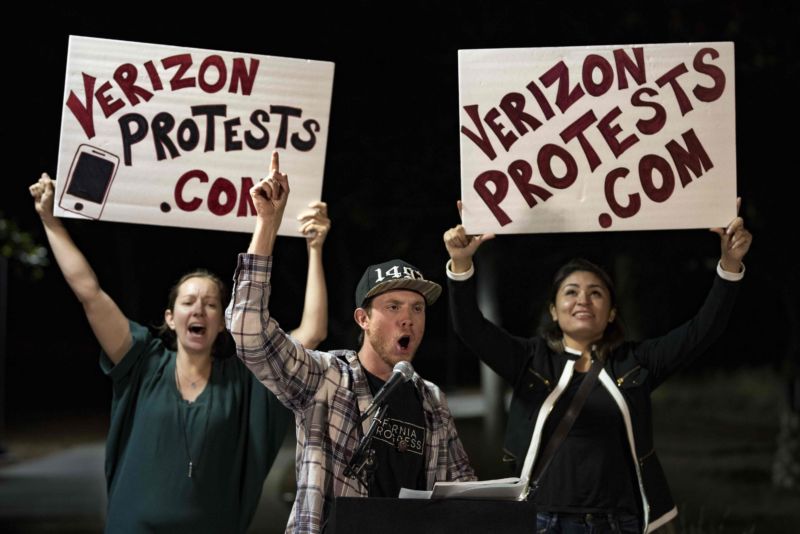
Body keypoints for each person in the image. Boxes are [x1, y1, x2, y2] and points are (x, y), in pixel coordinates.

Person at [29, 171, 331, 533]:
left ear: (224, 322)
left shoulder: (245, 380)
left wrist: (314, 248)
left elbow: (311, 333)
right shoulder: (142, 361)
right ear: (171, 318)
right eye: (188, 302)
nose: (199, 309)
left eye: (211, 304)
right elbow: (89, 293)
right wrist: (50, 221)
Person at [443, 200, 752, 534]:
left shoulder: (635, 361)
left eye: (596, 293)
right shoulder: (530, 359)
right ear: (554, 309)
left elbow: (702, 331)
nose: (582, 300)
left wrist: (729, 264)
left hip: (618, 524)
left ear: (612, 312)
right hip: (543, 522)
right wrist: (461, 264)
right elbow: (470, 328)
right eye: (571, 292)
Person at [227, 153, 475, 534]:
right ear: (363, 319)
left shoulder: (431, 402)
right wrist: (267, 224)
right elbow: (248, 333)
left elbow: (462, 492)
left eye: (417, 308)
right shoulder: (326, 379)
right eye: (392, 307)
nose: (408, 317)